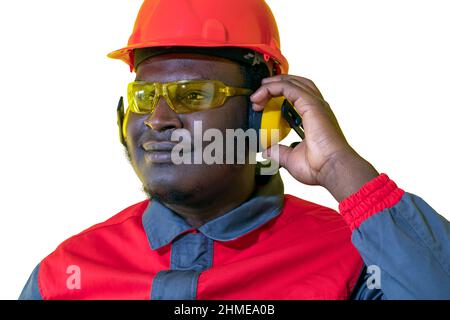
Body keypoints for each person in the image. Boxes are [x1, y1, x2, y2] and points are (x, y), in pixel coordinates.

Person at [19, 0, 449, 300]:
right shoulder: (65, 275)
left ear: (264, 115)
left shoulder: (354, 260)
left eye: (193, 95)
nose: (157, 119)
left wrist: (341, 169)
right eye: (144, 98)